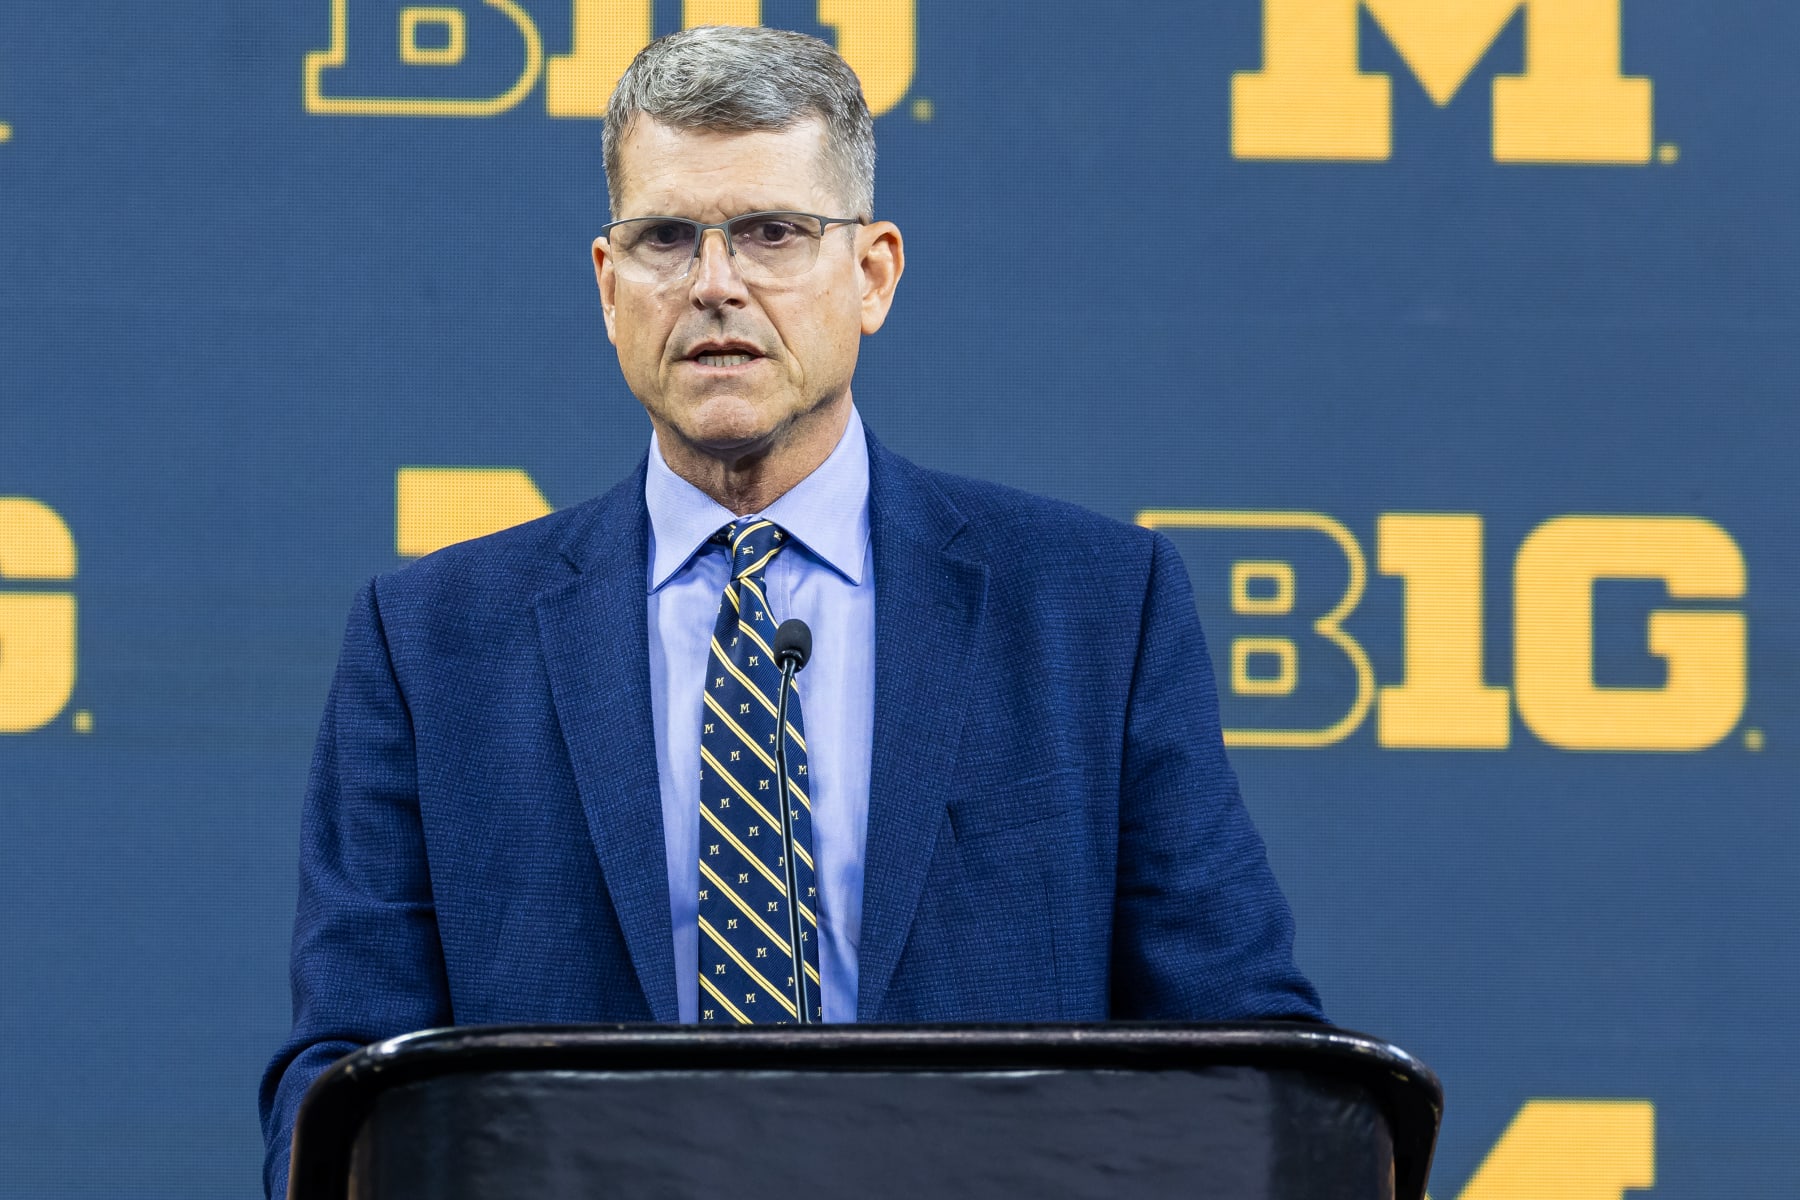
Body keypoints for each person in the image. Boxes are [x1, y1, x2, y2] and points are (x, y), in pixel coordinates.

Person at [259, 24, 1323, 1197]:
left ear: (871, 274)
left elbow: (1247, 1058)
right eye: (666, 237)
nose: (716, 283)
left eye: (772, 232)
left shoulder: (1092, 611)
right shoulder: (433, 644)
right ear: (610, 289)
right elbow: (345, 1078)